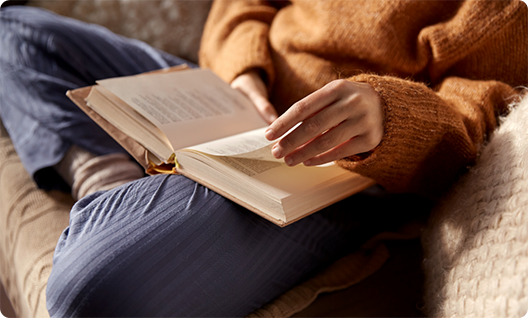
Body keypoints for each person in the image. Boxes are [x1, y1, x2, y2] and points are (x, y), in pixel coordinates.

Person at [0, 1, 526, 317]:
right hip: (229, 97)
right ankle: (118, 191)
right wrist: (243, 72)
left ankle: (131, 196)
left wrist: (389, 116)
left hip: (332, 168)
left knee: (89, 288)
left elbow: (480, 115)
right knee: (14, 33)